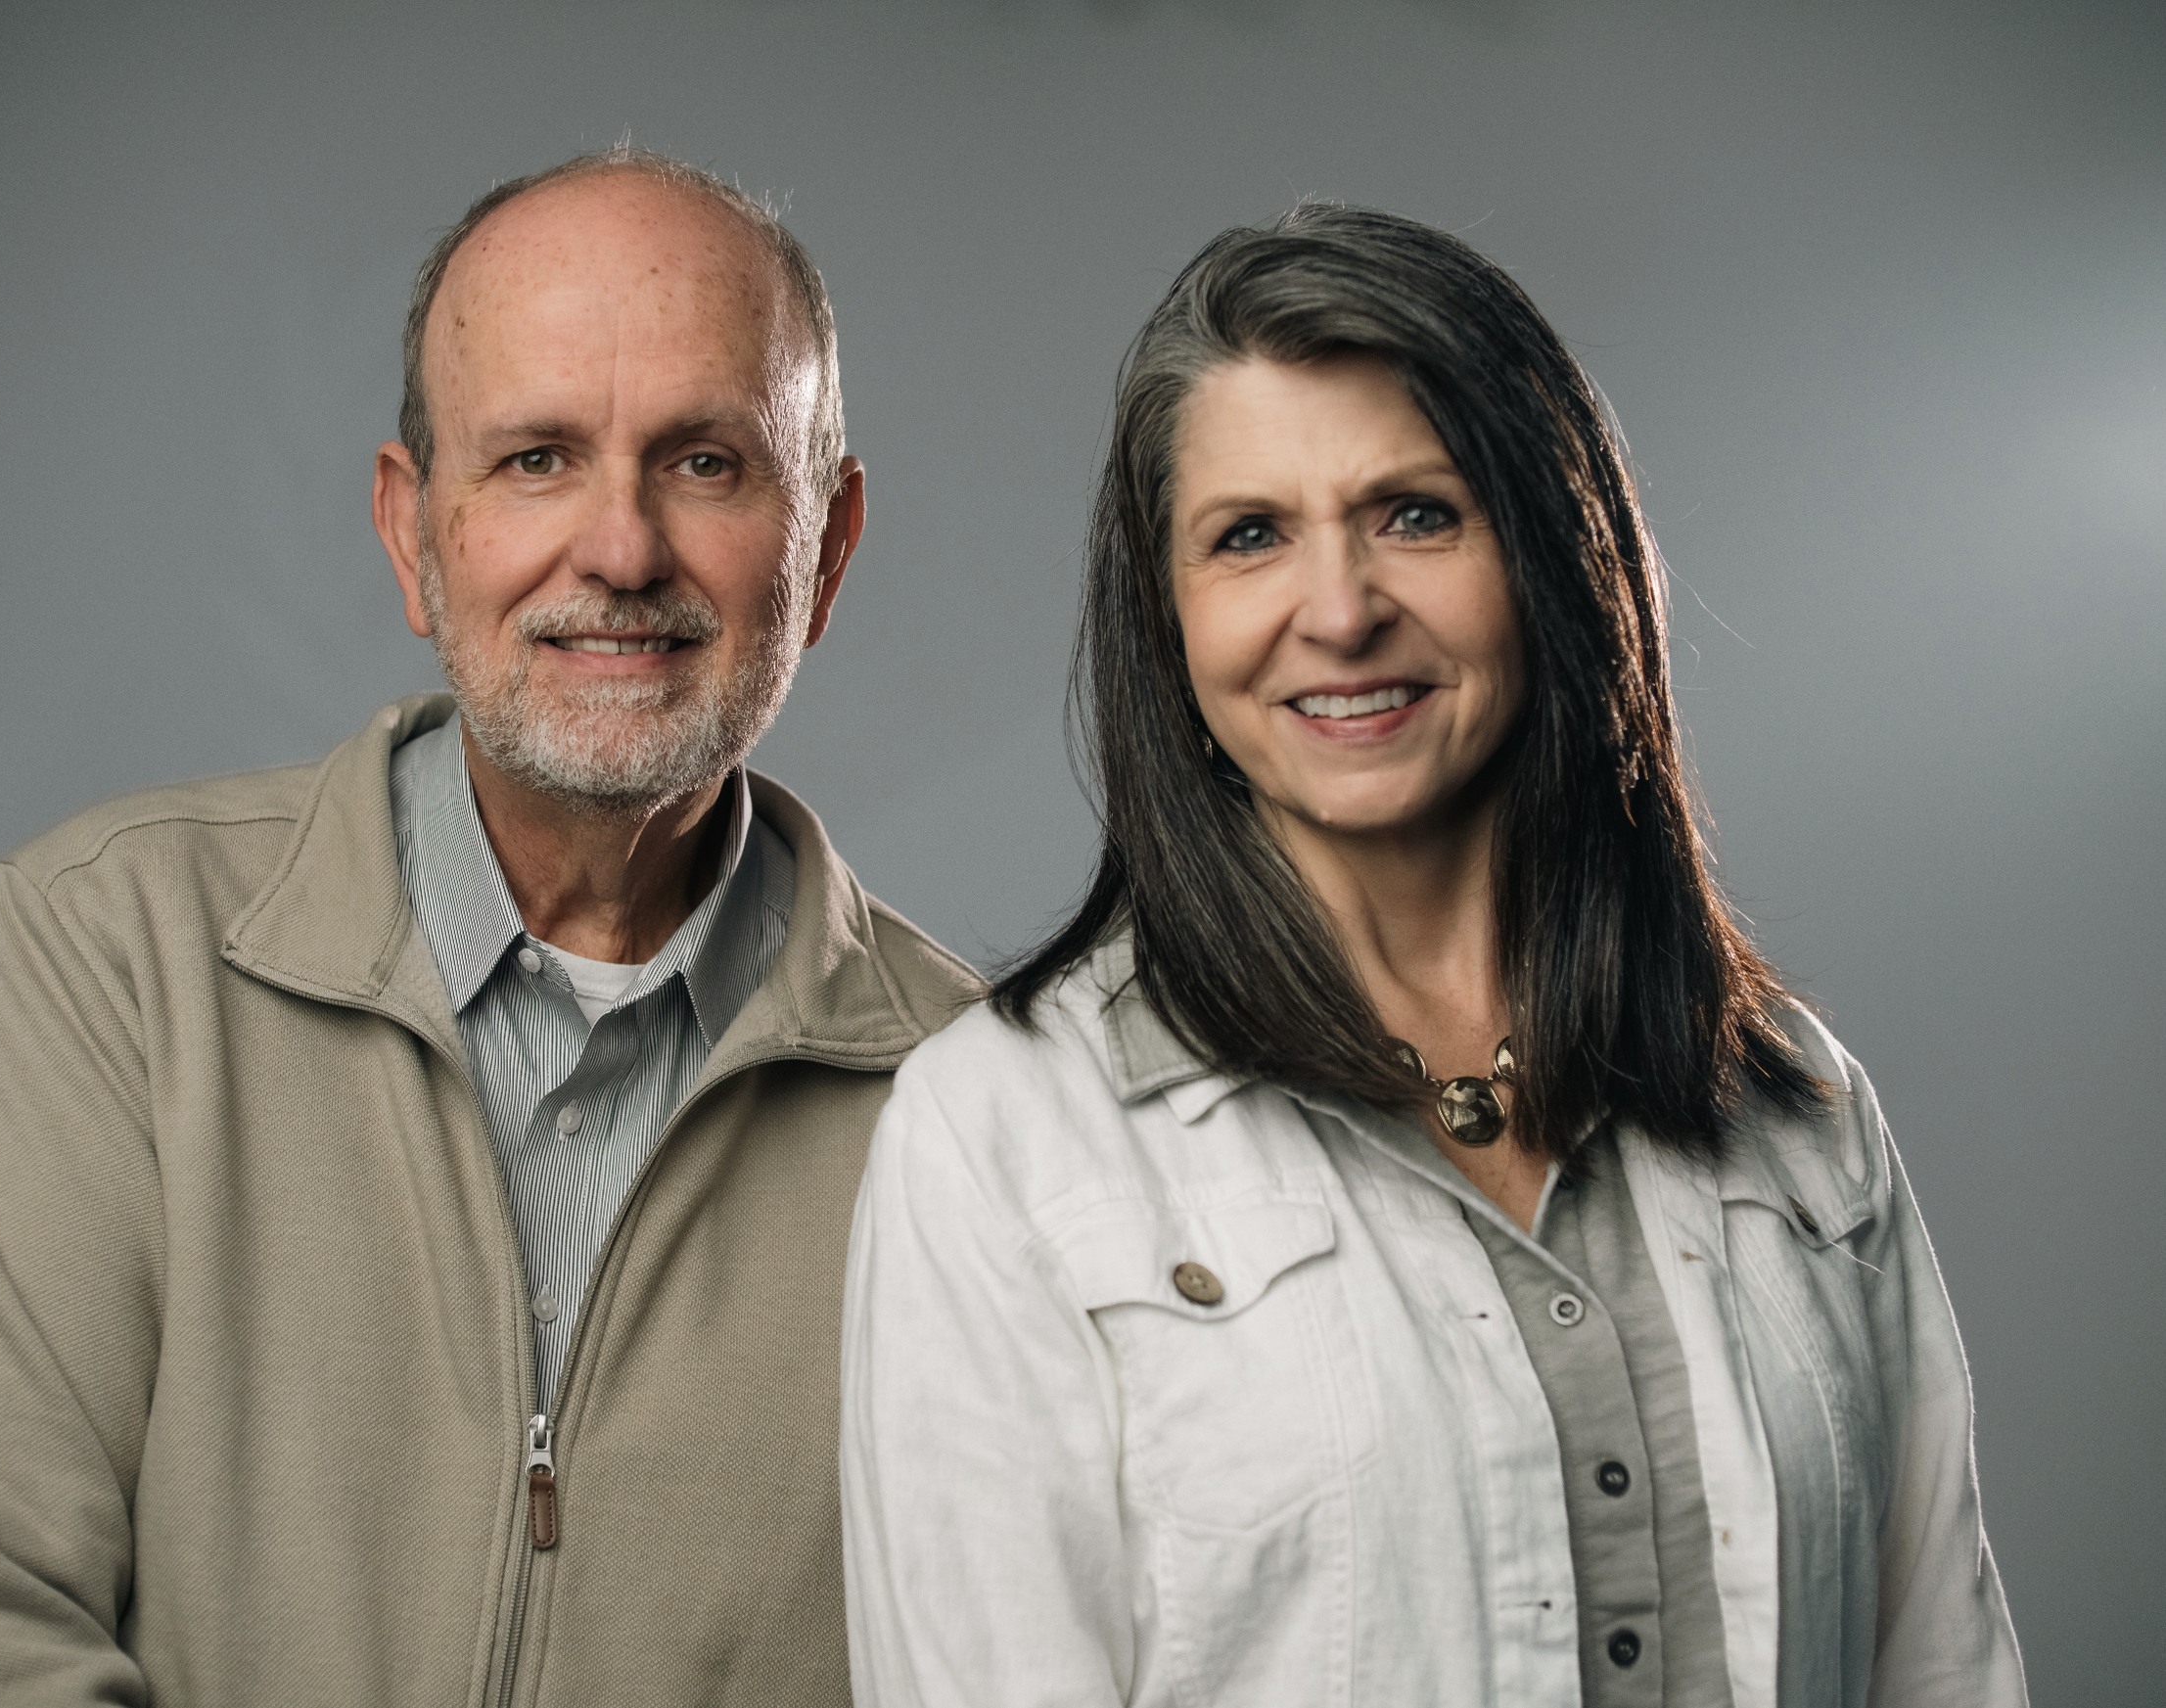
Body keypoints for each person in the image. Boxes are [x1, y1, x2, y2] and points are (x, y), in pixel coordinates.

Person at [0, 147, 980, 1707]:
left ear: (822, 550)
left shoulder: (978, 1106)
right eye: (537, 460)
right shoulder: (109, 953)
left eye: (705, 461)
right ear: (409, 528)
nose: (621, 550)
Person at [841, 204, 2026, 1707]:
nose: (1339, 613)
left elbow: (1944, 1666)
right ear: (1167, 613)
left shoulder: (1795, 1108)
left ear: (1552, 551)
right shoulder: (1001, 1138)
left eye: (1416, 512)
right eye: (1249, 536)